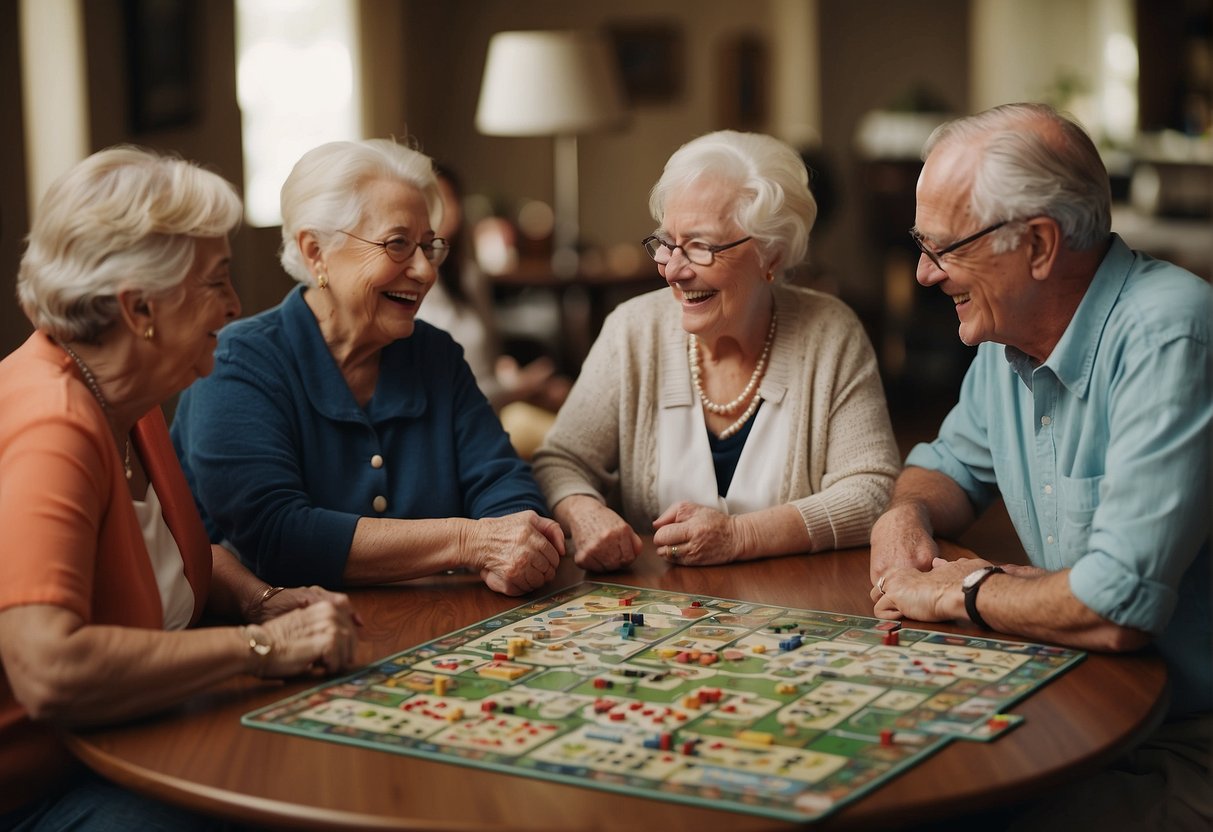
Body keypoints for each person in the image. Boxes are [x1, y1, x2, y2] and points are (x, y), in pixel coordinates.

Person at [868, 103, 1211, 828]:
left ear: (1039, 245)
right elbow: (947, 467)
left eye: (943, 248)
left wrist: (967, 592)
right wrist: (906, 512)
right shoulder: (1007, 336)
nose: (925, 274)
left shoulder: (1169, 334)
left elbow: (1116, 607)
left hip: (1183, 741)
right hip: (1081, 703)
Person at [0, 146, 359, 829]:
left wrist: (261, 602)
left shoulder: (128, 400)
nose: (236, 303)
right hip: (37, 788)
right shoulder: (54, 423)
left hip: (135, 740)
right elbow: (49, 667)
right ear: (139, 309)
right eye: (217, 281)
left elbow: (162, 554)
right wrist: (264, 649)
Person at [172, 139, 564, 596]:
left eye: (428, 246)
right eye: (397, 244)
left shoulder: (434, 355)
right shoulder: (239, 363)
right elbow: (276, 536)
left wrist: (514, 550)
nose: (424, 270)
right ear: (316, 251)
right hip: (281, 640)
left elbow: (504, 483)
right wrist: (467, 542)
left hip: (438, 632)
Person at [532, 130, 900, 571]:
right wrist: (584, 512)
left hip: (794, 610)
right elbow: (561, 460)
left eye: (701, 247)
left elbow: (871, 491)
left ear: (772, 256)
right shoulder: (633, 331)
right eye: (666, 242)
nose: (672, 270)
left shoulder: (830, 335)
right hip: (657, 615)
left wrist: (740, 536)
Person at [416, 166, 569, 458]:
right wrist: (515, 389)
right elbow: (440, 393)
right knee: (560, 443)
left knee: (572, 407)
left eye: (448, 199)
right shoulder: (408, 288)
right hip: (464, 417)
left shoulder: (468, 276)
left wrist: (518, 380)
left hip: (496, 401)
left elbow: (492, 353)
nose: (442, 211)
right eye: (430, 201)